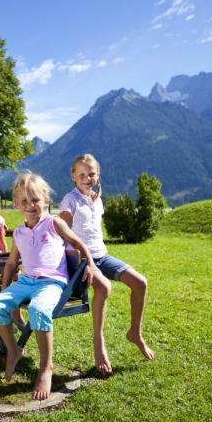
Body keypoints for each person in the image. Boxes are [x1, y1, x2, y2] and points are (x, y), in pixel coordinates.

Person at [0, 172, 96, 400]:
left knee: (38, 310)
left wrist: (91, 266)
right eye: (24, 201)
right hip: (26, 281)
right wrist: (5, 288)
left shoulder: (54, 223)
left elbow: (78, 243)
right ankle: (13, 349)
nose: (30, 205)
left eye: (35, 199)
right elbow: (11, 262)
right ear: (16, 204)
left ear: (46, 200)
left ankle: (46, 367)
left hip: (52, 283)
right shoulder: (18, 232)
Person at [58, 154, 154, 373]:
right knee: (103, 287)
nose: (86, 178)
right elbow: (63, 235)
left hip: (102, 256)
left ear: (97, 175)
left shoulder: (97, 199)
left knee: (140, 282)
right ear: (73, 176)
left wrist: (96, 261)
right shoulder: (69, 200)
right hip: (82, 259)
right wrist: (84, 263)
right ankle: (99, 343)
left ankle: (135, 333)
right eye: (81, 174)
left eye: (91, 174)